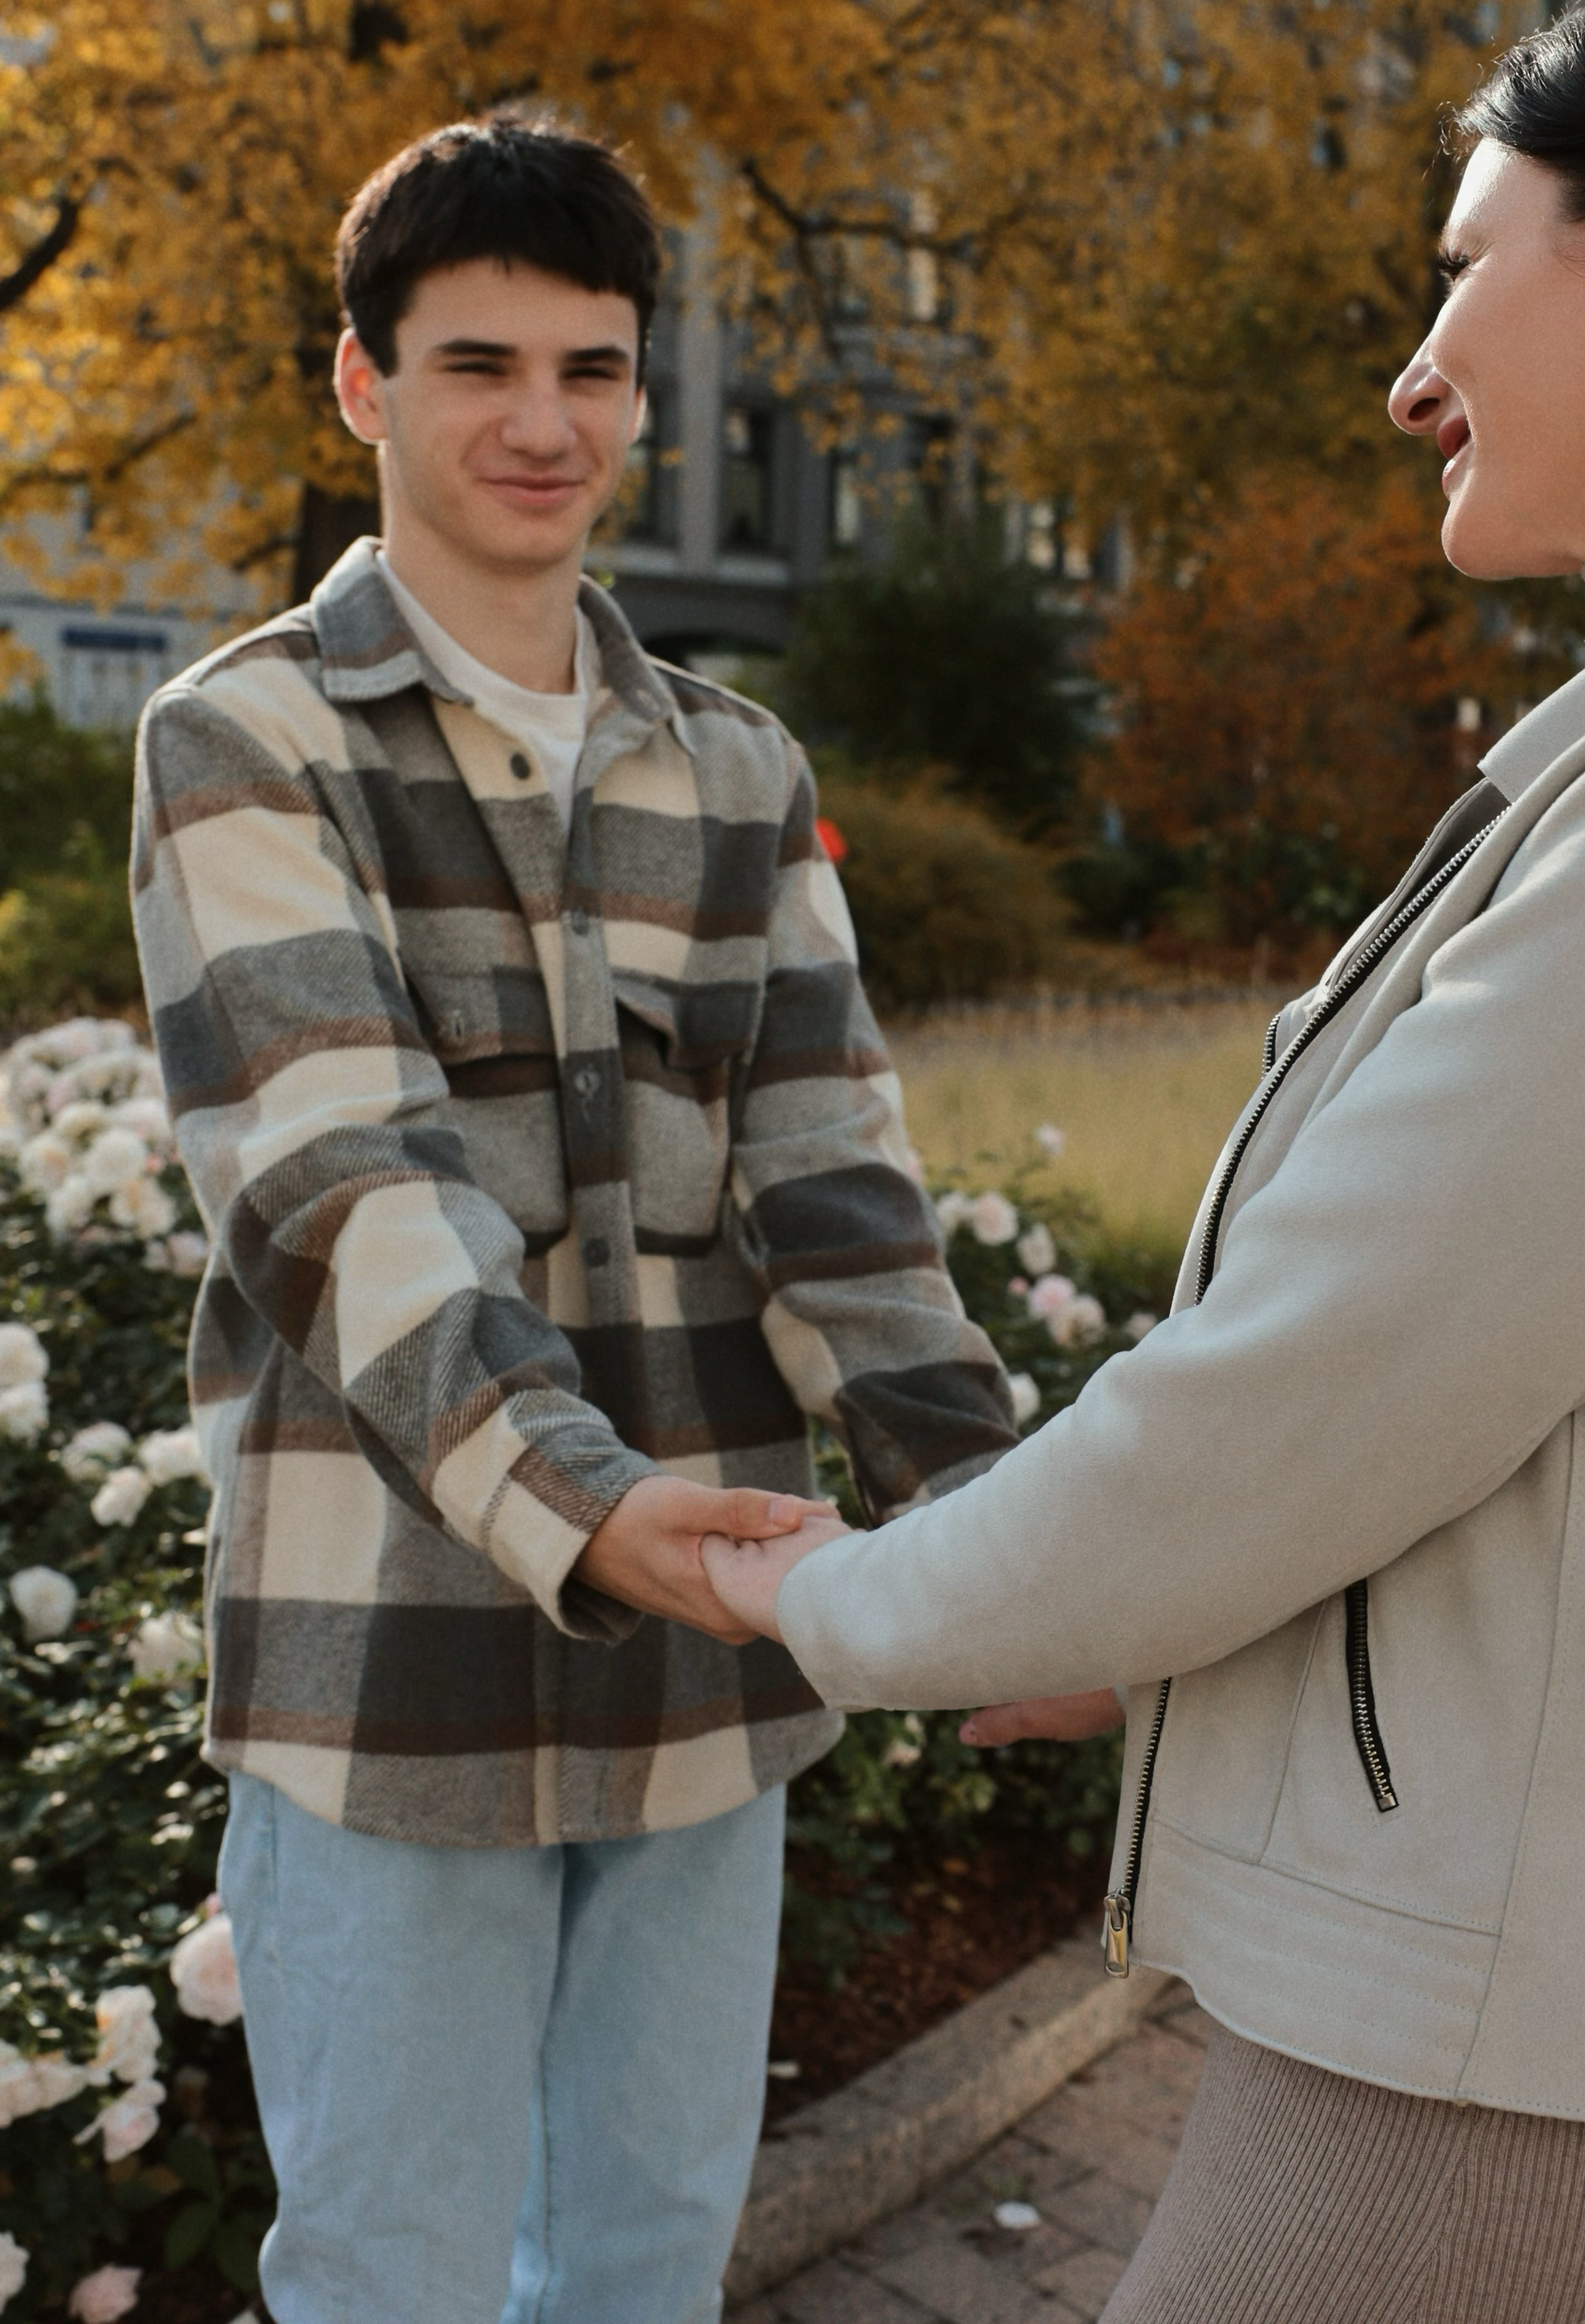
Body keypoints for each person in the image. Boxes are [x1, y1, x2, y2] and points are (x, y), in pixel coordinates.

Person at [703, 0, 1585, 2323]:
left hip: (1521, 2075)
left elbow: (1300, 1401)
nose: (1412, 370)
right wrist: (1144, 1643)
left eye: (1463, 264)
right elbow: (1541, 1427)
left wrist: (828, 1599)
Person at [129, 114, 1016, 2324]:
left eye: (593, 371)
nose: (544, 425)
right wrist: (589, 1508)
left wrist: (998, 1541)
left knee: (640, 2273)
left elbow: (839, 1187)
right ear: (363, 383)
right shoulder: (244, 743)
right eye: (477, 365)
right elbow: (344, 1190)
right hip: (382, 1674)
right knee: (393, 2280)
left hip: (715, 1682)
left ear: (644, 391)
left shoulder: (737, 768)